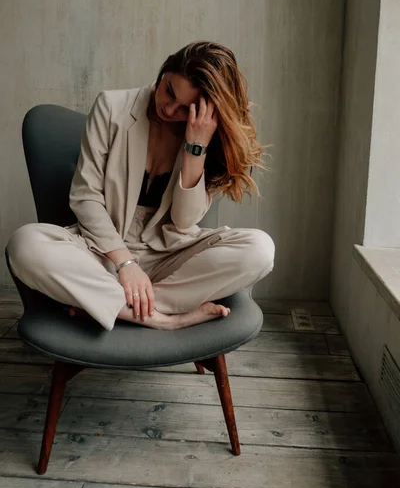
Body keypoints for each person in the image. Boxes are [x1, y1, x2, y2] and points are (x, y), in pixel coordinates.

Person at [7, 41, 275, 331]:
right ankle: (163, 319)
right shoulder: (111, 107)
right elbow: (85, 197)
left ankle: (109, 306)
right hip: (103, 251)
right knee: (25, 244)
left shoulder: (205, 135)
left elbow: (184, 221)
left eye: (186, 108)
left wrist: (195, 146)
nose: (169, 109)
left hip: (170, 255)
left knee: (260, 249)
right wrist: (125, 264)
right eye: (169, 90)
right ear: (164, 72)